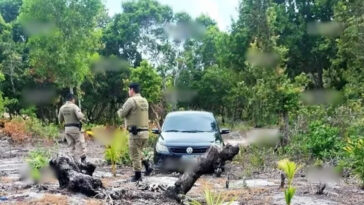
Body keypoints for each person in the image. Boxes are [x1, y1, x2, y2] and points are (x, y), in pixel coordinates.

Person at [117, 82, 152, 182]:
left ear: (132, 90)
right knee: (139, 151)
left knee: (134, 155)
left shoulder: (131, 101)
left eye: (129, 90)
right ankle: (148, 166)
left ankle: (137, 176)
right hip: (145, 132)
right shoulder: (145, 101)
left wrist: (119, 111)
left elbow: (122, 114)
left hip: (135, 133)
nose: (128, 92)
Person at [58, 93, 87, 162]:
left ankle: (72, 161)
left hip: (67, 129)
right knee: (81, 143)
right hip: (75, 128)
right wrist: (84, 118)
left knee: (70, 145)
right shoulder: (74, 107)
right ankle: (83, 160)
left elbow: (60, 120)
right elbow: (80, 116)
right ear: (72, 99)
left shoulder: (62, 108)